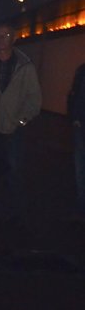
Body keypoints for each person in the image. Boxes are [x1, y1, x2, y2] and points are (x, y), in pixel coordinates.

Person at [0, 23, 41, 221]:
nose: (1, 39)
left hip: (13, 129)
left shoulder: (25, 65)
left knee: (14, 170)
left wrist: (22, 120)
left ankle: (15, 213)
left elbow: (34, 98)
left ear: (13, 38)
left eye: (6, 35)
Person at [68, 62, 85, 219]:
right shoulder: (81, 70)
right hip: (81, 125)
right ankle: (81, 204)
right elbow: (75, 93)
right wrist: (74, 115)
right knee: (80, 167)